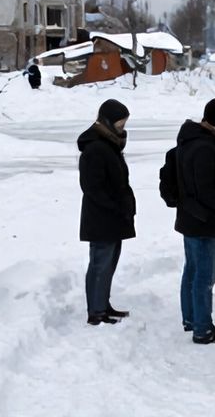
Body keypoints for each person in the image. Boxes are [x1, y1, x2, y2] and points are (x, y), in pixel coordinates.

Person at [174, 98, 215, 344]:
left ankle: (191, 318)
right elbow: (206, 189)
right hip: (203, 220)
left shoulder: (188, 141)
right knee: (205, 274)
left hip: (189, 217)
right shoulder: (204, 148)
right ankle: (202, 328)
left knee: (192, 270)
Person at [77, 99, 136, 326]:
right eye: (120, 123)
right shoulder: (95, 148)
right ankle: (96, 311)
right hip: (102, 218)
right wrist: (115, 206)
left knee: (109, 264)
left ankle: (103, 303)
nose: (122, 127)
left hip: (114, 217)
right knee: (100, 265)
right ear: (107, 121)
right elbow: (93, 187)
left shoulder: (109, 144)